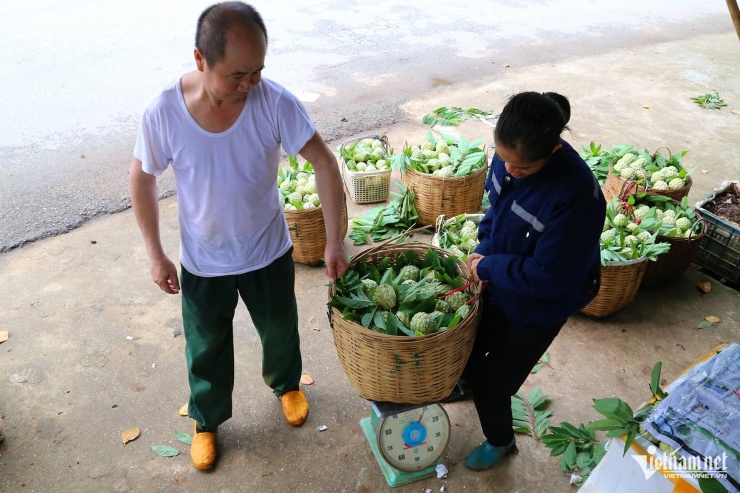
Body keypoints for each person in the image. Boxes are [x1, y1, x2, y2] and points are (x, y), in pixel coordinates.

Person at [129, 2, 348, 471]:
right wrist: (156, 255)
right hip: (204, 261)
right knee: (205, 346)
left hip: (267, 251)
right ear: (200, 60)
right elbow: (142, 178)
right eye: (237, 75)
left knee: (280, 330)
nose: (249, 85)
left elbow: (325, 164)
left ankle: (287, 385)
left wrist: (334, 241)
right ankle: (206, 421)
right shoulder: (164, 111)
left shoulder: (274, 102)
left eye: (258, 71)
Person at [461, 91, 606, 470]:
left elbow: (548, 278)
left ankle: (500, 440)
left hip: (540, 304)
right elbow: (496, 209)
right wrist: (484, 252)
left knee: (496, 384)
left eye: (521, 168)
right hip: (501, 277)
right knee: (469, 349)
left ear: (553, 151)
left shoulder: (578, 197)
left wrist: (490, 267)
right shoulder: (512, 153)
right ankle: (469, 382)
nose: (510, 170)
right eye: (503, 158)